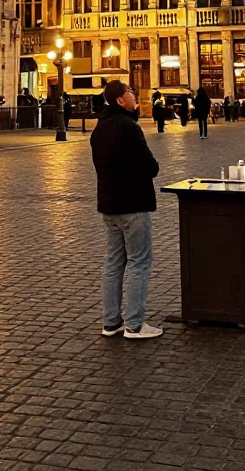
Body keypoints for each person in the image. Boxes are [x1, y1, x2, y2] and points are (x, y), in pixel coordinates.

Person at [90, 80, 162, 340]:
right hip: (133, 203)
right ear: (120, 100)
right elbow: (150, 166)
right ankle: (135, 324)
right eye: (130, 93)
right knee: (139, 261)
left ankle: (111, 322)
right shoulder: (129, 127)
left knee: (113, 263)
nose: (134, 96)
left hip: (109, 205)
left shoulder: (99, 129)